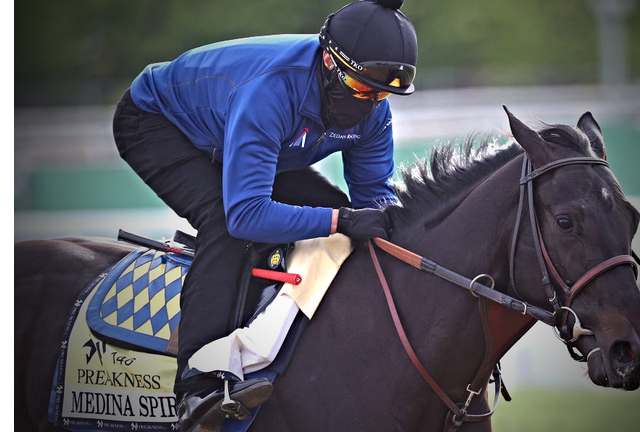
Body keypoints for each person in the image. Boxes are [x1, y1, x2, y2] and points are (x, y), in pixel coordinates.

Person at [112, 0, 417, 430]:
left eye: (383, 93)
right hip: (155, 121)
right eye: (361, 87)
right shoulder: (271, 90)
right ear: (329, 61)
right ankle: (197, 385)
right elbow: (245, 214)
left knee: (346, 217)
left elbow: (374, 207)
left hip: (234, 128)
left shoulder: (373, 111)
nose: (371, 103)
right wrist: (338, 222)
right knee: (224, 220)